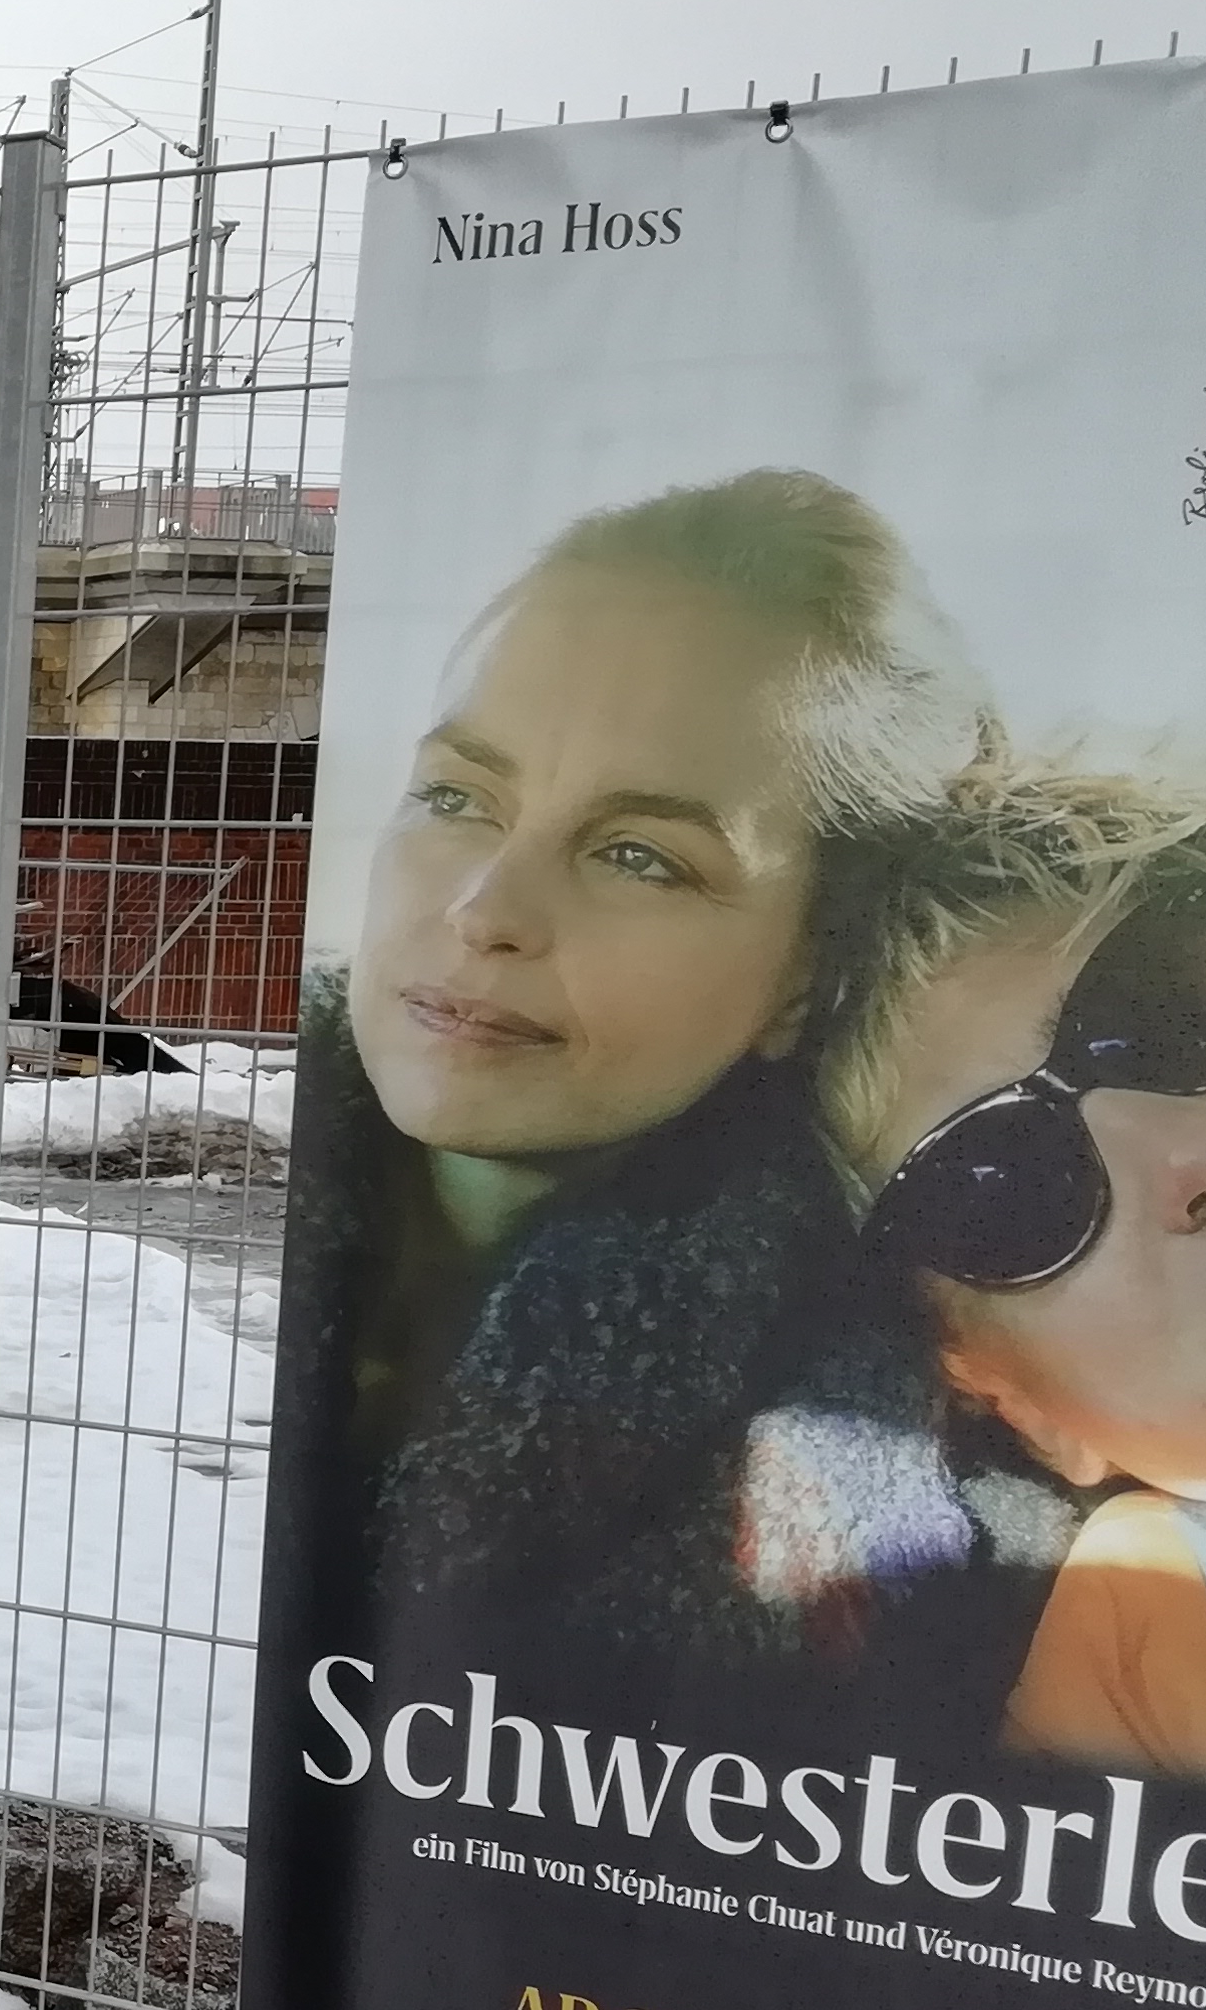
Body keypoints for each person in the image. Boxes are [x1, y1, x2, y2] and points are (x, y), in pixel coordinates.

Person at [277, 467, 1011, 1718]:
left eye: (638, 857)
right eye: (455, 797)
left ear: (809, 972)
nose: (484, 912)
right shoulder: (196, 1272)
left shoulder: (851, 1477)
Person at [828, 780, 1206, 1778]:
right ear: (1023, 1410)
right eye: (1007, 1186)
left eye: (1186, 1015)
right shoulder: (1142, 1641)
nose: (1193, 1162)